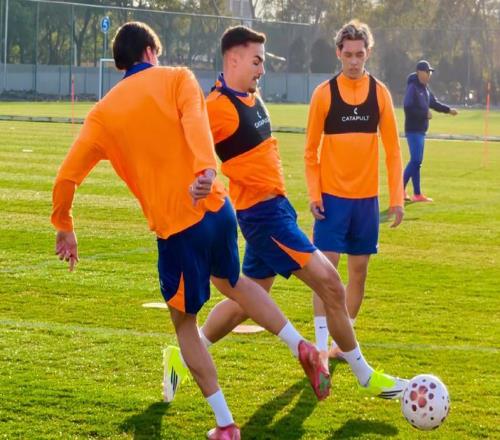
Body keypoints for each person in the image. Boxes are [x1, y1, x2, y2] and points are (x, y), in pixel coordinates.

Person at [51, 21, 330, 440]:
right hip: (218, 208)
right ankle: (300, 345)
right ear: (150, 52)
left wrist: (65, 224)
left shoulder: (102, 114)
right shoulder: (178, 77)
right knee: (234, 282)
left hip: (178, 228)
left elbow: (66, 178)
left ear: (123, 61)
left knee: (184, 324)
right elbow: (197, 122)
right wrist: (205, 171)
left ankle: (225, 424)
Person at [188, 25, 407, 404]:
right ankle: (364, 375)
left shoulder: (250, 97)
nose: (262, 69)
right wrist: (199, 179)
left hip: (277, 207)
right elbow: (190, 145)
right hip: (263, 217)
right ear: (234, 59)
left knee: (247, 301)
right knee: (331, 283)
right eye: (256, 61)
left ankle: (189, 348)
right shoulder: (216, 106)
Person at [305, 20, 404, 361]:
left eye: (359, 54)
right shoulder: (324, 94)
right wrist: (315, 195)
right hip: (332, 200)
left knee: (358, 275)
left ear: (368, 53)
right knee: (325, 275)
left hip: (366, 203)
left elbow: (393, 151)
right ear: (338, 53)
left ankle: (341, 346)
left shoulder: (380, 93)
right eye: (348, 54)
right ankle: (320, 347)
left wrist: (396, 199)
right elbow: (310, 152)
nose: (353, 61)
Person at [403, 60, 458, 202]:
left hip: (421, 130)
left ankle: (417, 194)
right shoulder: (413, 87)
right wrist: (424, 114)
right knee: (415, 160)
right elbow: (407, 106)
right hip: (413, 130)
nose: (429, 75)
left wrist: (448, 110)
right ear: (419, 72)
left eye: (430, 72)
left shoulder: (425, 89)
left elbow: (434, 103)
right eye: (427, 72)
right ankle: (399, 189)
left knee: (417, 162)